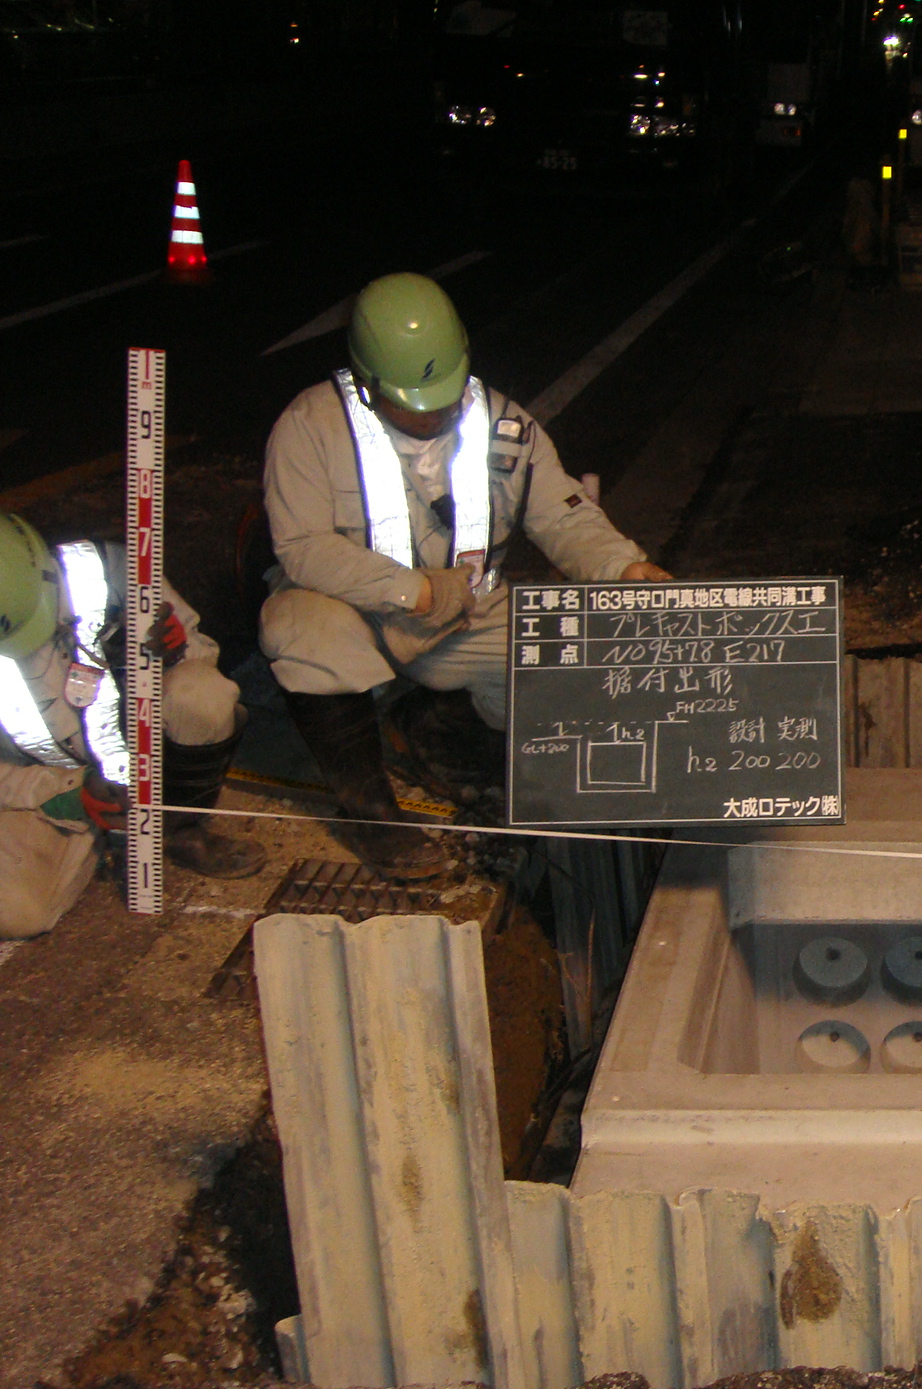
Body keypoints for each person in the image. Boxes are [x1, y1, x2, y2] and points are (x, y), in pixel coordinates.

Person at [261, 271, 670, 879]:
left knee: (561, 665)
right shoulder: (309, 426)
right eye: (411, 403)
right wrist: (414, 589)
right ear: (368, 383)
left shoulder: (506, 427)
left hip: (462, 617)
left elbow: (562, 515)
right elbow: (302, 547)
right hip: (353, 611)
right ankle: (372, 813)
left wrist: (622, 565)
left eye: (445, 397)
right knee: (302, 633)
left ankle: (431, 730)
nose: (432, 416)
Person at [0, 514, 264, 938]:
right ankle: (94, 838)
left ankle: (178, 829)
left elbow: (203, 654)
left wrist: (171, 654)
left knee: (203, 695)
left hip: (143, 756)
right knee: (16, 911)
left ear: (44, 567)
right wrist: (66, 796)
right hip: (50, 785)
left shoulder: (108, 572)